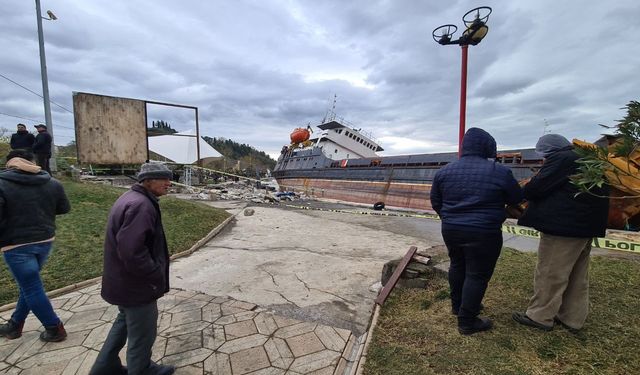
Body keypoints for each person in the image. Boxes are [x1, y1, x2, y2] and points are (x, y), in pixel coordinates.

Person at [430, 127, 523, 335]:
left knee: (457, 265)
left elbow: (436, 201)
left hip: (451, 229)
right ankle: (467, 321)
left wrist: (449, 217)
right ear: (488, 147)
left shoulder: (444, 171)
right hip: (484, 232)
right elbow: (517, 198)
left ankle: (458, 306)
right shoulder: (500, 172)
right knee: (477, 274)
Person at [512, 134, 609, 332]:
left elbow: (536, 189)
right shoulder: (588, 158)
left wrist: (519, 192)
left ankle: (539, 316)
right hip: (585, 226)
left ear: (550, 151)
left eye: (544, 155)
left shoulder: (563, 159)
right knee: (577, 275)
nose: (544, 160)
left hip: (564, 228)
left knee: (550, 272)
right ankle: (572, 319)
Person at [90, 162, 175, 375]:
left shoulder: (131, 198)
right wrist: (153, 273)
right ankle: (142, 369)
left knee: (124, 324)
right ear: (147, 181)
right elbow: (132, 251)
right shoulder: (141, 205)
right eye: (163, 179)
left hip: (122, 283)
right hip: (136, 286)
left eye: (169, 178)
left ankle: (104, 367)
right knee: (143, 333)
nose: (169, 183)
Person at [0, 149, 70, 342]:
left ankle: (54, 328)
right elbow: (64, 208)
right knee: (30, 285)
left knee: (31, 287)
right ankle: (15, 325)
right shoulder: (52, 182)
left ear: (9, 163)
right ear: (33, 162)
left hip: (15, 245)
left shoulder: (2, 184)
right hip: (45, 241)